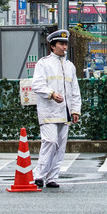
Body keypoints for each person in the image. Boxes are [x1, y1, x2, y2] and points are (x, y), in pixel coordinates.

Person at [31, 29, 82, 188]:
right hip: (48, 112)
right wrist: (51, 94)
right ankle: (38, 175)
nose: (64, 47)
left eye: (66, 44)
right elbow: (37, 85)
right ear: (52, 46)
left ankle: (52, 177)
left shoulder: (70, 66)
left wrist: (75, 110)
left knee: (60, 146)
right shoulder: (43, 63)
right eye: (61, 44)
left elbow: (75, 90)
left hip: (65, 113)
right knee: (50, 141)